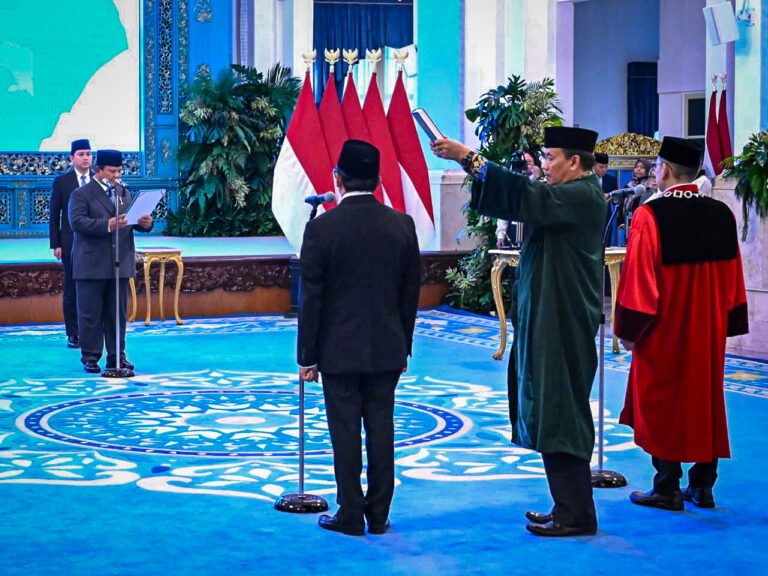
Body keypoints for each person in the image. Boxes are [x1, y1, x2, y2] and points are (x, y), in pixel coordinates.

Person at [432, 127, 605, 537]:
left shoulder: (582, 195)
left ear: (575, 163)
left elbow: (532, 198)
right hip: (550, 315)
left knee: (561, 409)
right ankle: (566, 505)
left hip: (562, 319)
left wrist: (468, 158)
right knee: (549, 407)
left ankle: (576, 513)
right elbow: (531, 199)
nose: (543, 167)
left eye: (550, 158)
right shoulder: (569, 195)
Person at [614, 136, 748, 511]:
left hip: (664, 327)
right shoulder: (722, 214)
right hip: (707, 327)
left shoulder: (650, 215)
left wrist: (628, 328)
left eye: (657, 166)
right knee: (704, 398)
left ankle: (667, 486)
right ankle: (703, 486)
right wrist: (728, 320)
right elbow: (733, 278)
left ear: (666, 170)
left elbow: (640, 278)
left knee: (662, 400)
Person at [297, 139, 421, 536]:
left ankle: (350, 512)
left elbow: (311, 299)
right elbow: (410, 295)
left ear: (338, 178)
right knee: (382, 429)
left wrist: (307, 357)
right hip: (388, 346)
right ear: (380, 179)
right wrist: (404, 345)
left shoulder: (322, 228)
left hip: (338, 350)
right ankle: (379, 515)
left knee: (345, 433)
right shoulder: (402, 225)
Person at [69, 149, 154, 374]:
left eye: (119, 171)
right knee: (90, 313)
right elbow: (77, 223)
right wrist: (108, 225)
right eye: (112, 171)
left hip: (119, 262)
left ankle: (117, 355)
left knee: (117, 314)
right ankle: (90, 356)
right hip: (91, 263)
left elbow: (131, 220)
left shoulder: (123, 192)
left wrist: (144, 223)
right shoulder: (81, 194)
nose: (117, 175)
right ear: (98, 171)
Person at [48, 138, 92, 348]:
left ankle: (91, 329)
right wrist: (55, 243)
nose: (86, 158)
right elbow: (54, 214)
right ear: (72, 157)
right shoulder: (62, 182)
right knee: (71, 287)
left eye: (88, 154)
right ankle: (73, 333)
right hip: (69, 243)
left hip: (94, 243)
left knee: (93, 287)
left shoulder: (98, 181)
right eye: (81, 154)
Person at [495, 151, 541, 248]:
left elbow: (529, 190)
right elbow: (504, 213)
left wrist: (535, 176)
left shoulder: (541, 184)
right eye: (522, 162)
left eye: (528, 162)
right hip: (513, 231)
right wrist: (500, 235)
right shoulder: (511, 185)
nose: (525, 165)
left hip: (533, 233)